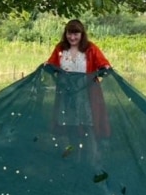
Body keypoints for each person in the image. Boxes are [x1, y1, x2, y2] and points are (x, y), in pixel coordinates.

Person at [45, 20, 112, 148]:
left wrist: (104, 69)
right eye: (69, 33)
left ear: (82, 34)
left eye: (76, 34)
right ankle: (75, 155)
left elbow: (103, 64)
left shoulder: (91, 49)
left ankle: (92, 157)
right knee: (70, 125)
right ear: (66, 34)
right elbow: (52, 64)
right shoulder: (60, 48)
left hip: (87, 94)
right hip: (67, 94)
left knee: (89, 125)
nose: (72, 37)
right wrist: (47, 66)